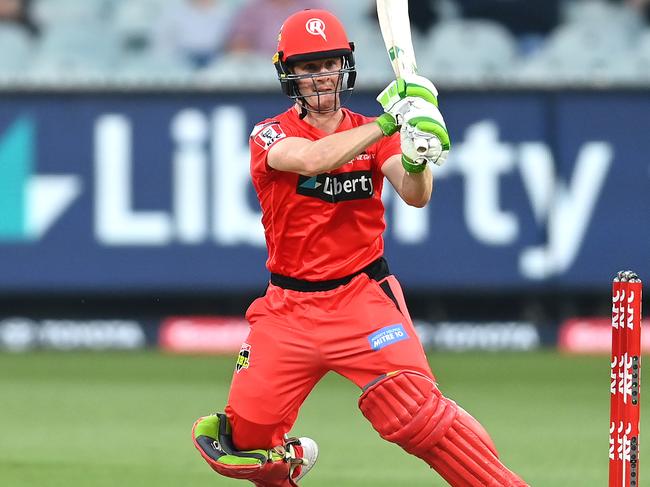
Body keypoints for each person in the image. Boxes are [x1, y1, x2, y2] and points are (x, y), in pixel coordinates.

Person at [191, 8, 528, 486]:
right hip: (288, 310)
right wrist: (392, 122)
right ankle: (287, 463)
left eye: (329, 64)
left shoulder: (375, 134)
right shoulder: (271, 133)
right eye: (309, 68)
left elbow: (416, 194)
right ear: (288, 73)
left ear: (344, 65)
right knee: (241, 447)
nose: (321, 77)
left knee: (419, 415)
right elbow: (310, 158)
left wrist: (417, 151)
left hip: (362, 297)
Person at [226, 0, 326, 56]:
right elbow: (238, 46)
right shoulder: (253, 9)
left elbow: (327, 41)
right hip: (263, 72)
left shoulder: (313, 6)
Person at [151, 0, 233, 68]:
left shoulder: (226, 11)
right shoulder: (173, 11)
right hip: (182, 58)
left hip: (216, 58)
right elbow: (161, 40)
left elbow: (232, 38)